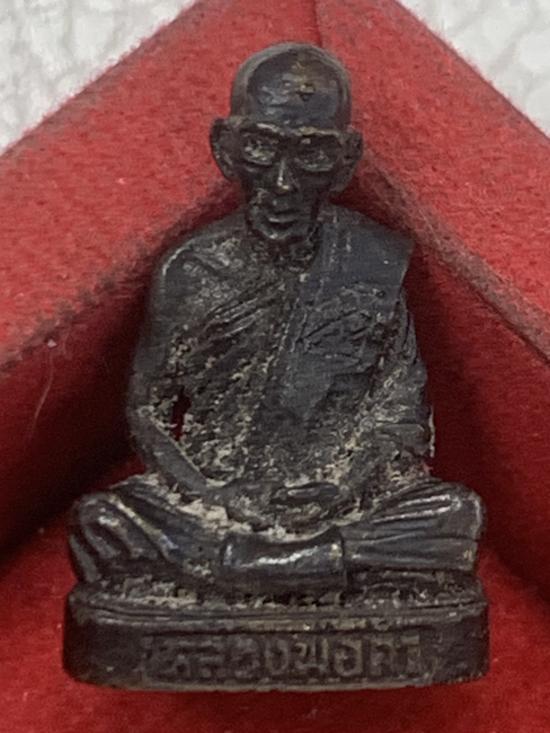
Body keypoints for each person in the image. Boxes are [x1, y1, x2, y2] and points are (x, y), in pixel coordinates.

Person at [69, 43, 484, 596]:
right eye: (261, 148)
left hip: (335, 502)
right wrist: (213, 495)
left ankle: (248, 568)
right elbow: (147, 410)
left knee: (456, 513)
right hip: (220, 497)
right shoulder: (191, 269)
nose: (284, 182)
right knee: (102, 520)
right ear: (225, 148)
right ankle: (313, 565)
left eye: (311, 154)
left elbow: (400, 413)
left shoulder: (372, 260)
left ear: (345, 160)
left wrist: (346, 486)